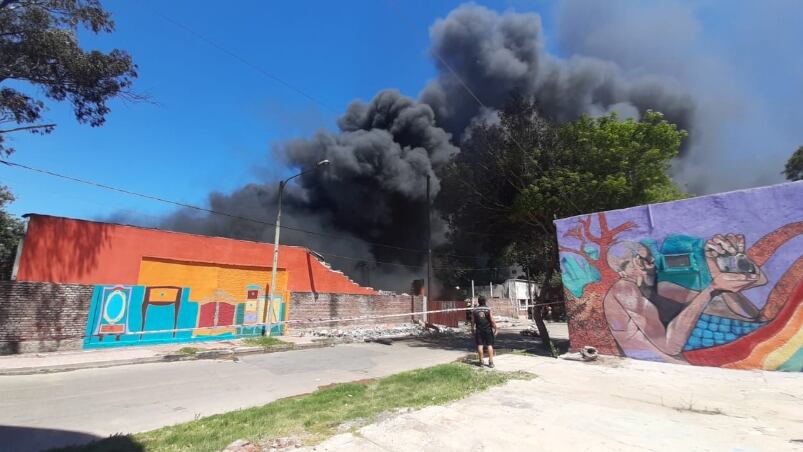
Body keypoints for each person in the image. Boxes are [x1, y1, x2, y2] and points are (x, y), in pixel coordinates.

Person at [604, 233, 766, 363]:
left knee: (722, 299)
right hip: (667, 366)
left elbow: (757, 281)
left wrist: (732, 259)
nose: (654, 261)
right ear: (638, 262)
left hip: (685, 360)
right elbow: (669, 347)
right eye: (649, 258)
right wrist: (711, 289)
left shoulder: (656, 286)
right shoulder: (625, 290)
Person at [471, 296, 498, 368]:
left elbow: (473, 321)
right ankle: (491, 362)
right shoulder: (488, 309)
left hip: (479, 330)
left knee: (480, 345)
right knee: (489, 345)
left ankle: (481, 362)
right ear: (485, 301)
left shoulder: (475, 310)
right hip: (488, 330)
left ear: (478, 301)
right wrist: (496, 328)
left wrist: (472, 329)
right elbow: (492, 319)